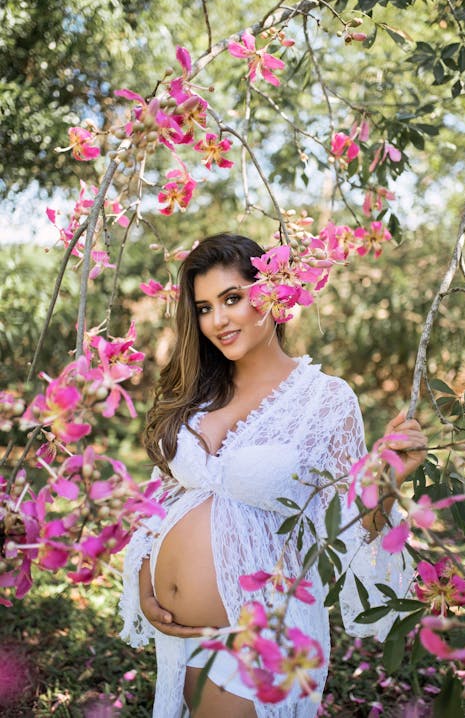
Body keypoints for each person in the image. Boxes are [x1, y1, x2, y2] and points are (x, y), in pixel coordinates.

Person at [119, 233, 427, 718]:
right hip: (178, 639)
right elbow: (165, 501)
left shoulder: (325, 400)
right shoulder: (198, 396)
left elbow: (348, 529)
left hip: (261, 632)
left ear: (274, 295)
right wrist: (145, 584)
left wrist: (388, 481)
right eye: (203, 308)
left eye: (233, 299)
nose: (217, 320)